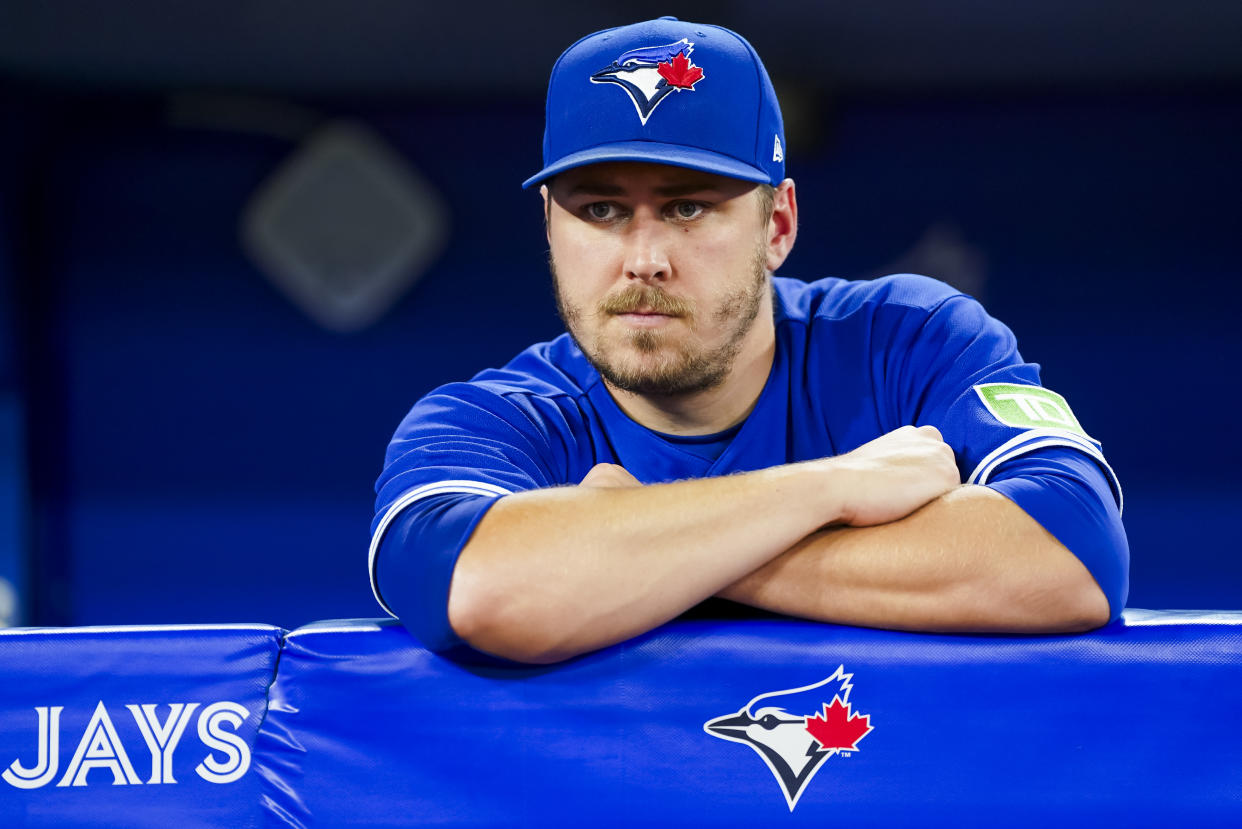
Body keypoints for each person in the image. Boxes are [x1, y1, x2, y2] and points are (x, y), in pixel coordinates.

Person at [368, 17, 1128, 664]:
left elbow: (1075, 556)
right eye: (599, 210)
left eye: (689, 208)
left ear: (779, 226)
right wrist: (834, 488)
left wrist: (635, 539)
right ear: (550, 229)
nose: (643, 258)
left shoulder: (907, 341)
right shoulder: (494, 419)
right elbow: (485, 590)